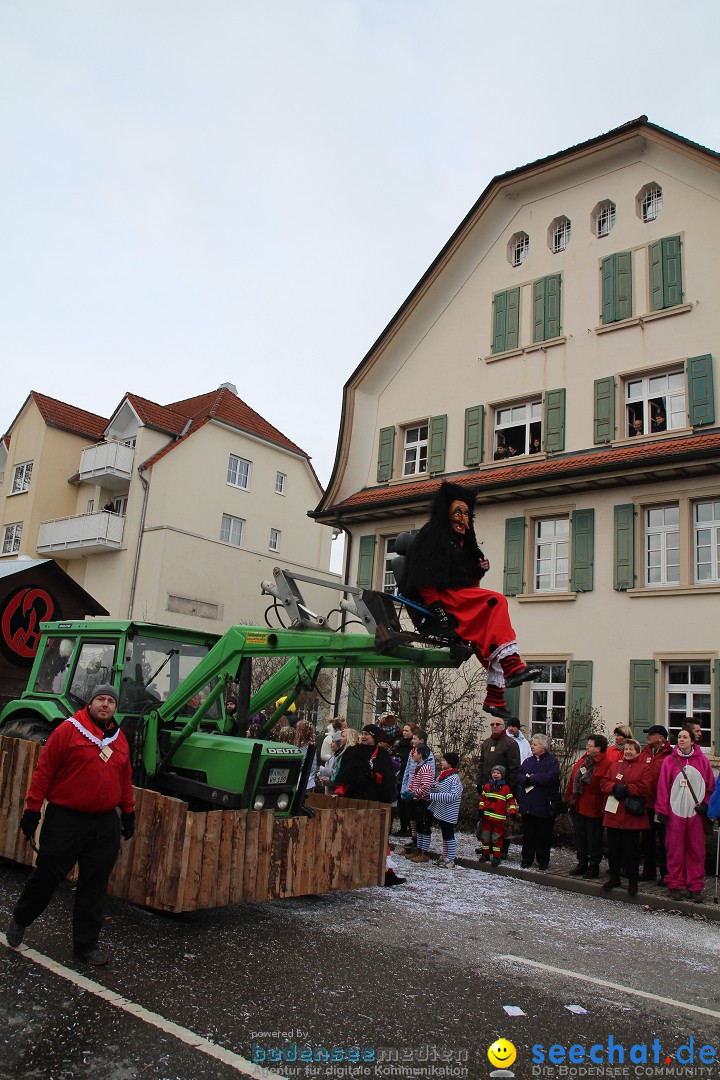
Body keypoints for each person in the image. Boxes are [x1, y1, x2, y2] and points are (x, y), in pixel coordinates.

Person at [5, 684, 134, 965]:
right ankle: (20, 918)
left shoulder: (119, 739)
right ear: (89, 703)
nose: (105, 705)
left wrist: (128, 811)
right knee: (48, 876)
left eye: (110, 701)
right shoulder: (68, 730)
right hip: (67, 819)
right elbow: (44, 771)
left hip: (103, 823)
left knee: (94, 885)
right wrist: (32, 810)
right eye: (100, 699)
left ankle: (86, 946)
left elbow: (125, 777)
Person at [402, 481, 539, 721]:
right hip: (445, 598)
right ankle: (512, 665)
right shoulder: (433, 537)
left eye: (466, 514)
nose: (463, 519)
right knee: (496, 601)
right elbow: (426, 581)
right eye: (457, 512)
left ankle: (495, 697)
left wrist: (477, 570)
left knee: (488, 635)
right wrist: (439, 611)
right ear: (446, 514)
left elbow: (469, 583)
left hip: (458, 596)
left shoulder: (462, 544)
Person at [655, 726, 715, 901]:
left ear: (692, 740)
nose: (681, 740)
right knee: (674, 850)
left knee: (696, 851)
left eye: (684, 737)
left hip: (695, 814)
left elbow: (709, 785)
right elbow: (663, 787)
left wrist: (706, 805)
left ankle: (695, 886)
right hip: (675, 814)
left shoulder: (702, 761)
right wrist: (662, 810)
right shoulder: (669, 761)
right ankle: (674, 884)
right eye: (679, 737)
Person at [599, 737, 651, 896]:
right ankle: (614, 877)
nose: (628, 752)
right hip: (614, 814)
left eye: (631, 749)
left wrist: (628, 789)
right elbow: (604, 783)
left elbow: (644, 787)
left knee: (631, 851)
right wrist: (614, 787)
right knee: (614, 849)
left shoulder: (644, 768)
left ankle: (632, 880)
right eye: (626, 749)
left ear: (637, 752)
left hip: (632, 816)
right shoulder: (615, 766)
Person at [564, 733, 609, 879]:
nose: (587, 747)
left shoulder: (606, 764)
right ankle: (582, 863)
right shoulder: (584, 760)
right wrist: (568, 799)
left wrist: (604, 809)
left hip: (594, 808)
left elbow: (605, 788)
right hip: (578, 806)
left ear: (599, 748)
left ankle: (594, 866)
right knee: (580, 837)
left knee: (594, 839)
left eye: (590, 745)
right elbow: (572, 780)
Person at [475, 718, 520, 854]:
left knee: (503, 822)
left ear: (503, 727)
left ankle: (503, 849)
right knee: (487, 819)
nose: (494, 726)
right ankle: (487, 846)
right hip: (489, 789)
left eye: (497, 724)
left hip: (504, 790)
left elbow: (514, 768)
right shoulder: (487, 743)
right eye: (492, 724)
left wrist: (511, 789)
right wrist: (479, 782)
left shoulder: (510, 744)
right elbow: (482, 764)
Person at [516, 734, 560, 871]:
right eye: (532, 744)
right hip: (528, 803)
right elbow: (519, 775)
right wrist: (526, 780)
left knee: (543, 834)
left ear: (543, 747)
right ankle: (527, 858)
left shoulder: (552, 761)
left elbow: (552, 777)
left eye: (535, 744)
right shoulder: (528, 761)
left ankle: (543, 859)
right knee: (528, 834)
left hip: (544, 804)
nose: (532, 746)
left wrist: (533, 778)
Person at [639, 724, 672, 883]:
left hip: (663, 806)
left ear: (661, 738)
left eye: (651, 735)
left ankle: (666, 873)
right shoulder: (645, 752)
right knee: (647, 840)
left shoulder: (671, 754)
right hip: (647, 804)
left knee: (664, 841)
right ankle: (649, 871)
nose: (647, 737)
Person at [400, 729, 435, 855]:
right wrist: (406, 789)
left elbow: (426, 783)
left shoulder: (426, 763)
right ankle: (416, 842)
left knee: (422, 824)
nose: (412, 741)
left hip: (421, 797)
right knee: (413, 819)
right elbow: (408, 772)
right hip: (413, 793)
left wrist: (414, 793)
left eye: (414, 739)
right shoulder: (415, 758)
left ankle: (422, 850)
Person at [477, 764, 518, 865]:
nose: (495, 775)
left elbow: (511, 801)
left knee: (497, 838)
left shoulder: (505, 789)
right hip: (487, 817)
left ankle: (496, 856)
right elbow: (483, 799)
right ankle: (485, 854)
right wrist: (481, 809)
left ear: (502, 775)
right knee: (485, 836)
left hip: (498, 819)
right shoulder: (487, 786)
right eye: (494, 773)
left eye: (498, 773)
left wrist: (513, 812)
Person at [428, 752, 463, 869]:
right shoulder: (443, 775)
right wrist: (432, 788)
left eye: (443, 760)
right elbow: (436, 787)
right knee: (444, 835)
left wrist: (433, 796)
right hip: (441, 811)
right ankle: (444, 856)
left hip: (449, 812)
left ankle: (451, 859)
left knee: (449, 835)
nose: (441, 762)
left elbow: (452, 796)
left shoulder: (454, 778)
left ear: (450, 763)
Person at [405, 744, 435, 863]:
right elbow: (414, 782)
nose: (413, 754)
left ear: (421, 755)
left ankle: (424, 852)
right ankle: (419, 849)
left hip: (424, 802)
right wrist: (409, 791)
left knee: (424, 826)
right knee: (418, 825)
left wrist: (414, 793)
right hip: (417, 800)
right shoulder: (418, 766)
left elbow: (426, 786)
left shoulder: (425, 768)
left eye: (415, 752)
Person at [393, 723, 416, 836]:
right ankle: (403, 827)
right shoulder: (398, 744)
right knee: (401, 805)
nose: (404, 732)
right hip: (399, 776)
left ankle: (411, 829)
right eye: (404, 730)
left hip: (409, 778)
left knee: (408, 805)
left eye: (407, 731)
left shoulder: (414, 746)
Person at [293, 720, 317, 792]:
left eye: (298, 729)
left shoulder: (307, 747)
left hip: (304, 783)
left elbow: (311, 767)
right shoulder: (300, 745)